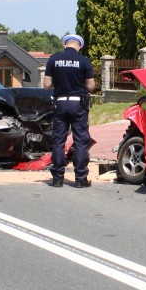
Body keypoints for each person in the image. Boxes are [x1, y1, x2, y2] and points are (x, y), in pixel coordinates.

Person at [43, 33, 95, 188]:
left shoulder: (53, 59)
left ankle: (57, 178)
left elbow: (46, 85)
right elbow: (91, 86)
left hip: (60, 103)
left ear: (65, 44)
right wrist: (80, 85)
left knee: (58, 140)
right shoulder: (84, 61)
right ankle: (80, 179)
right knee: (80, 141)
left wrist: (59, 85)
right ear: (79, 46)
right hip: (78, 104)